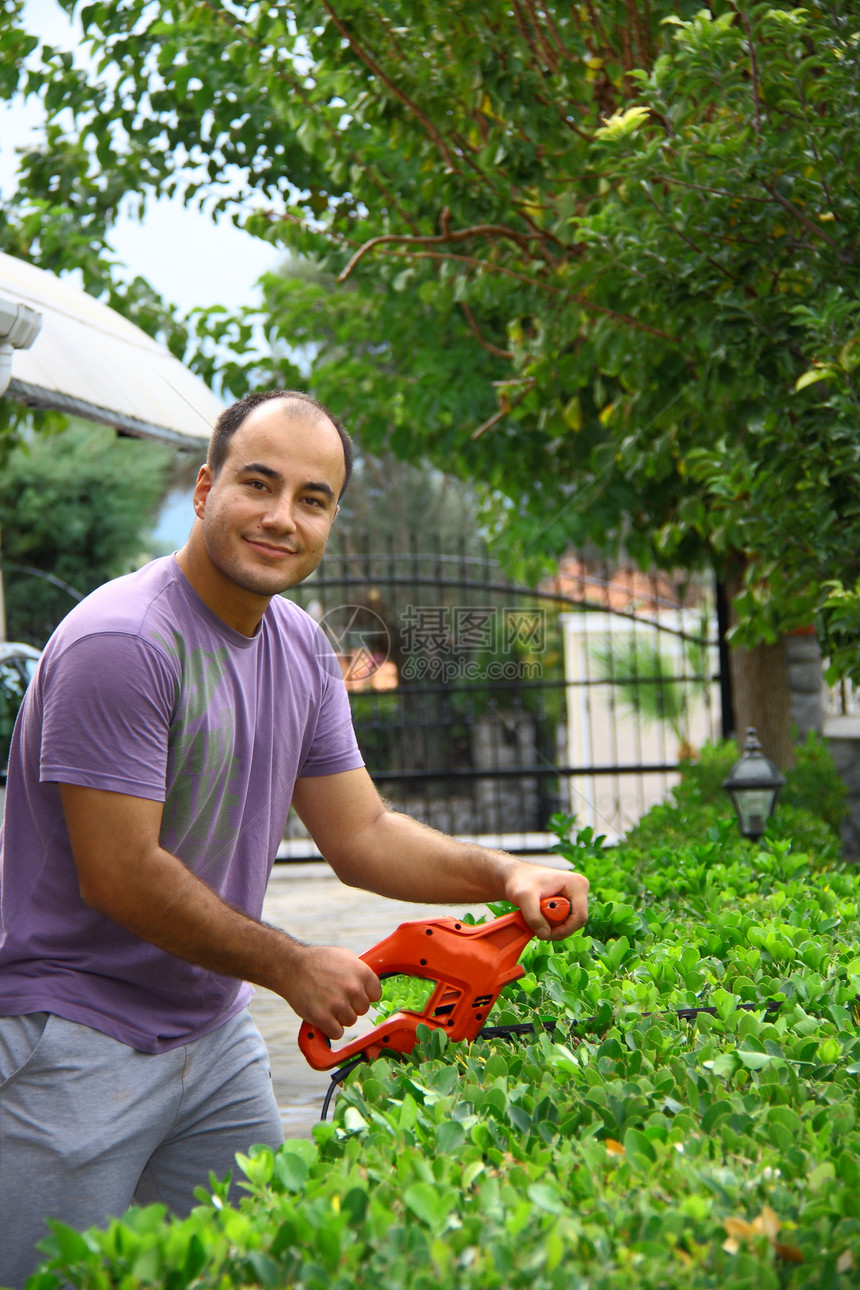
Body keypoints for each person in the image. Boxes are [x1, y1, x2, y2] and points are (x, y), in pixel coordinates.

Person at [0, 390, 588, 1286]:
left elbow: (363, 834)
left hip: (210, 1032)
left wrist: (505, 870)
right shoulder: (124, 642)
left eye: (312, 499)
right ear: (204, 489)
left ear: (331, 520)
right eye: (258, 484)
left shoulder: (301, 647)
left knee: (249, 1269)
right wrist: (288, 966)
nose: (282, 517)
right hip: (71, 1037)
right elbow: (119, 876)